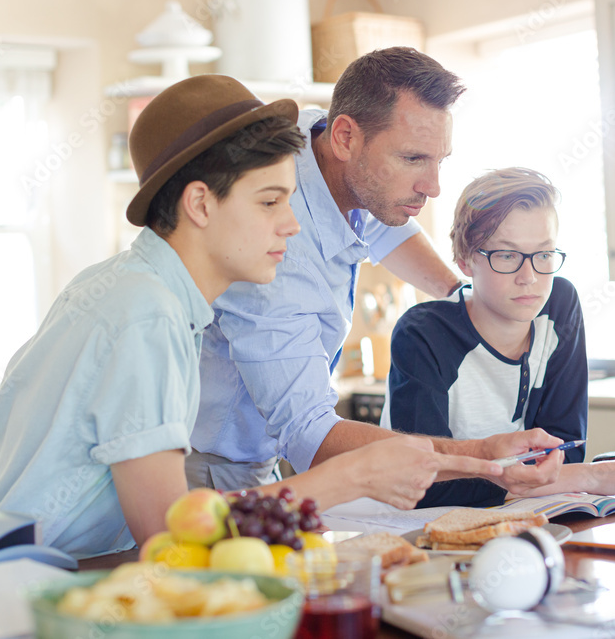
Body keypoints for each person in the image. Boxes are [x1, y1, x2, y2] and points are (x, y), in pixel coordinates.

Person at [0, 75, 504, 558]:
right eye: (269, 203)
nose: (291, 226)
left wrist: (468, 295)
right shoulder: (146, 317)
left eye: (290, 201)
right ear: (199, 205)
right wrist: (353, 475)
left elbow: (378, 212)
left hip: (27, 568)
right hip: (14, 591)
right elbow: (167, 534)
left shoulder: (133, 290)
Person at [188, 48, 565, 498]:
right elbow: (310, 433)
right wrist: (483, 456)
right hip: (209, 469)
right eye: (413, 160)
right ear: (346, 138)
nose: (433, 186)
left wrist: (459, 294)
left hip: (259, 460)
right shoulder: (278, 254)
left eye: (438, 160)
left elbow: (387, 229)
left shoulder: (320, 142)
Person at [382, 167, 615, 508]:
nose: (529, 277)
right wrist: (594, 476)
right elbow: (425, 484)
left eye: (544, 254)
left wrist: (569, 474)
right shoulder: (423, 335)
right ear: (465, 259)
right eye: (507, 255)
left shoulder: (559, 305)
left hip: (518, 516)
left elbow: (562, 456)